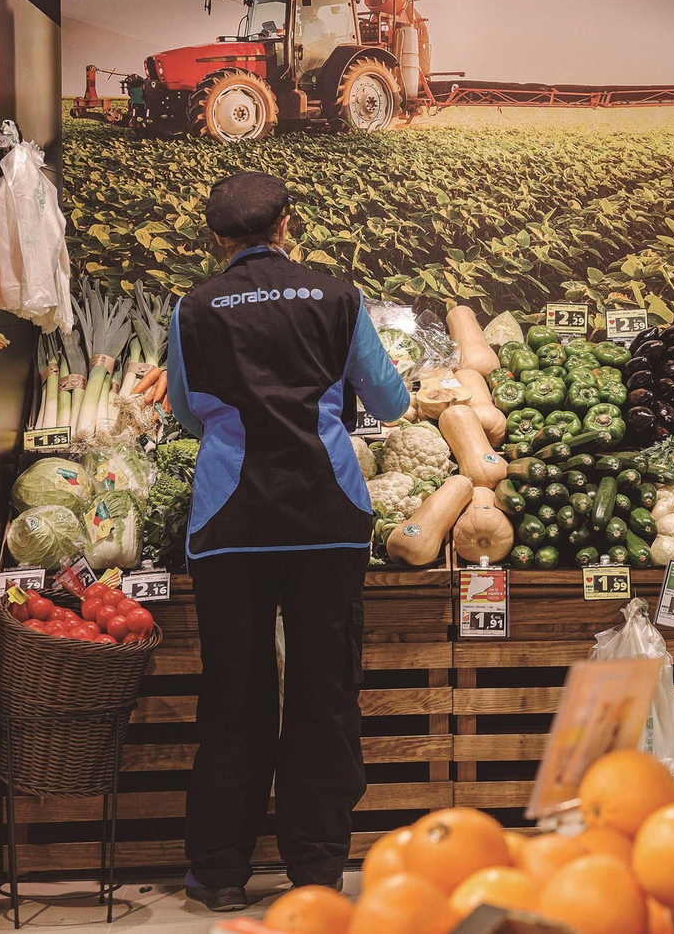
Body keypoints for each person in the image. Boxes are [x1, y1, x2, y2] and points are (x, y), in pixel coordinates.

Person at [166, 171, 410, 911]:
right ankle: (316, 870)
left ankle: (218, 872)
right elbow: (390, 400)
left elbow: (185, 411)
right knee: (324, 691)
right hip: (325, 520)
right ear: (286, 224)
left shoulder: (194, 307)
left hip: (230, 523)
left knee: (233, 693)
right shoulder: (339, 297)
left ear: (217, 237)